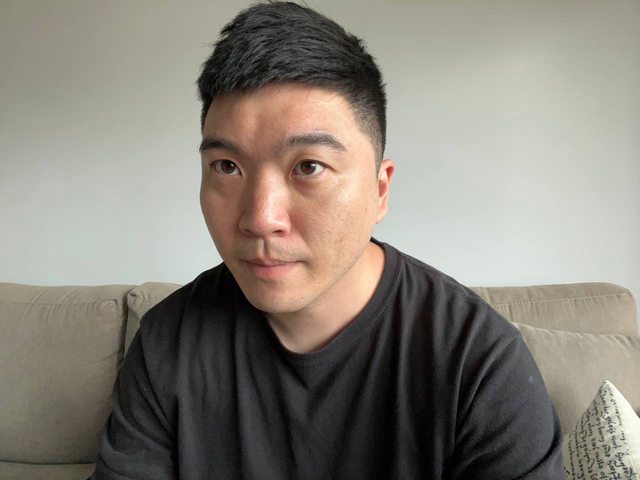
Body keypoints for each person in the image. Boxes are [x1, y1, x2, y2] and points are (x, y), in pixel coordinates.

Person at [90, 2, 563, 479]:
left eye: (309, 166)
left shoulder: (478, 364)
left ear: (380, 189)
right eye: (227, 167)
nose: (261, 219)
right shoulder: (167, 342)